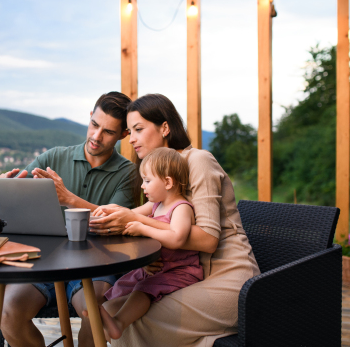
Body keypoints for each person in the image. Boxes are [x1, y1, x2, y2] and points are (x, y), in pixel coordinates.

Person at [88, 93, 261, 347]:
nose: (131, 139)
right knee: (109, 310)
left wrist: (141, 225)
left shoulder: (198, 160)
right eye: (129, 131)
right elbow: (138, 216)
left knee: (134, 321)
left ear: (165, 128)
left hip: (229, 279)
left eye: (138, 129)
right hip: (186, 276)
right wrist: (105, 216)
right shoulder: (161, 175)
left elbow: (209, 240)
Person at [0, 91, 137, 347]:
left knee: (93, 313)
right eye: (94, 125)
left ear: (124, 135)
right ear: (89, 118)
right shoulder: (53, 158)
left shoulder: (128, 174)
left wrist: (68, 198)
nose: (96, 136)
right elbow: (16, 199)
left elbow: (116, 219)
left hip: (95, 266)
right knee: (9, 315)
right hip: (44, 263)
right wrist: (4, 190)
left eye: (108, 131)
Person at [86, 147, 203, 342]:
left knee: (143, 289)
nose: (142, 186)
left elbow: (177, 238)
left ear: (167, 182)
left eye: (147, 181)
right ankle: (101, 312)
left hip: (179, 271)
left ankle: (118, 324)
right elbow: (130, 213)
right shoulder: (156, 204)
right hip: (158, 267)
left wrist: (143, 228)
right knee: (124, 283)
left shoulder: (181, 208)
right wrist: (109, 210)